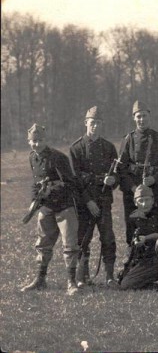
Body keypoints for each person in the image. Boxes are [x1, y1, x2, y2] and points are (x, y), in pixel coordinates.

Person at [21, 124, 81, 296]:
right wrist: (35, 200)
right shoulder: (33, 157)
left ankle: (71, 282)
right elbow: (35, 182)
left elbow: (71, 183)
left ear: (46, 140)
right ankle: (40, 279)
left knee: (69, 245)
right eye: (33, 141)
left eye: (40, 141)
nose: (36, 144)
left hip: (64, 207)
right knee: (43, 244)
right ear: (28, 141)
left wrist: (52, 189)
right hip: (46, 207)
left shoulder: (58, 157)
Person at [69, 106, 119, 288]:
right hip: (84, 203)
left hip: (104, 202)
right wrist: (88, 201)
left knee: (107, 237)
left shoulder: (109, 147)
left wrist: (113, 179)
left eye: (98, 123)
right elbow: (74, 179)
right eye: (92, 122)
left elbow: (117, 175)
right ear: (86, 123)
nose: (95, 126)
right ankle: (82, 277)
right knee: (83, 239)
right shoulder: (76, 148)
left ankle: (110, 276)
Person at [118, 100, 158, 245]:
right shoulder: (128, 139)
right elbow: (121, 169)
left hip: (156, 190)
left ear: (150, 116)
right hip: (133, 193)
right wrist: (133, 188)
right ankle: (133, 258)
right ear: (134, 118)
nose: (141, 120)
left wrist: (154, 179)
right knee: (133, 227)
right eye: (138, 116)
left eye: (144, 116)